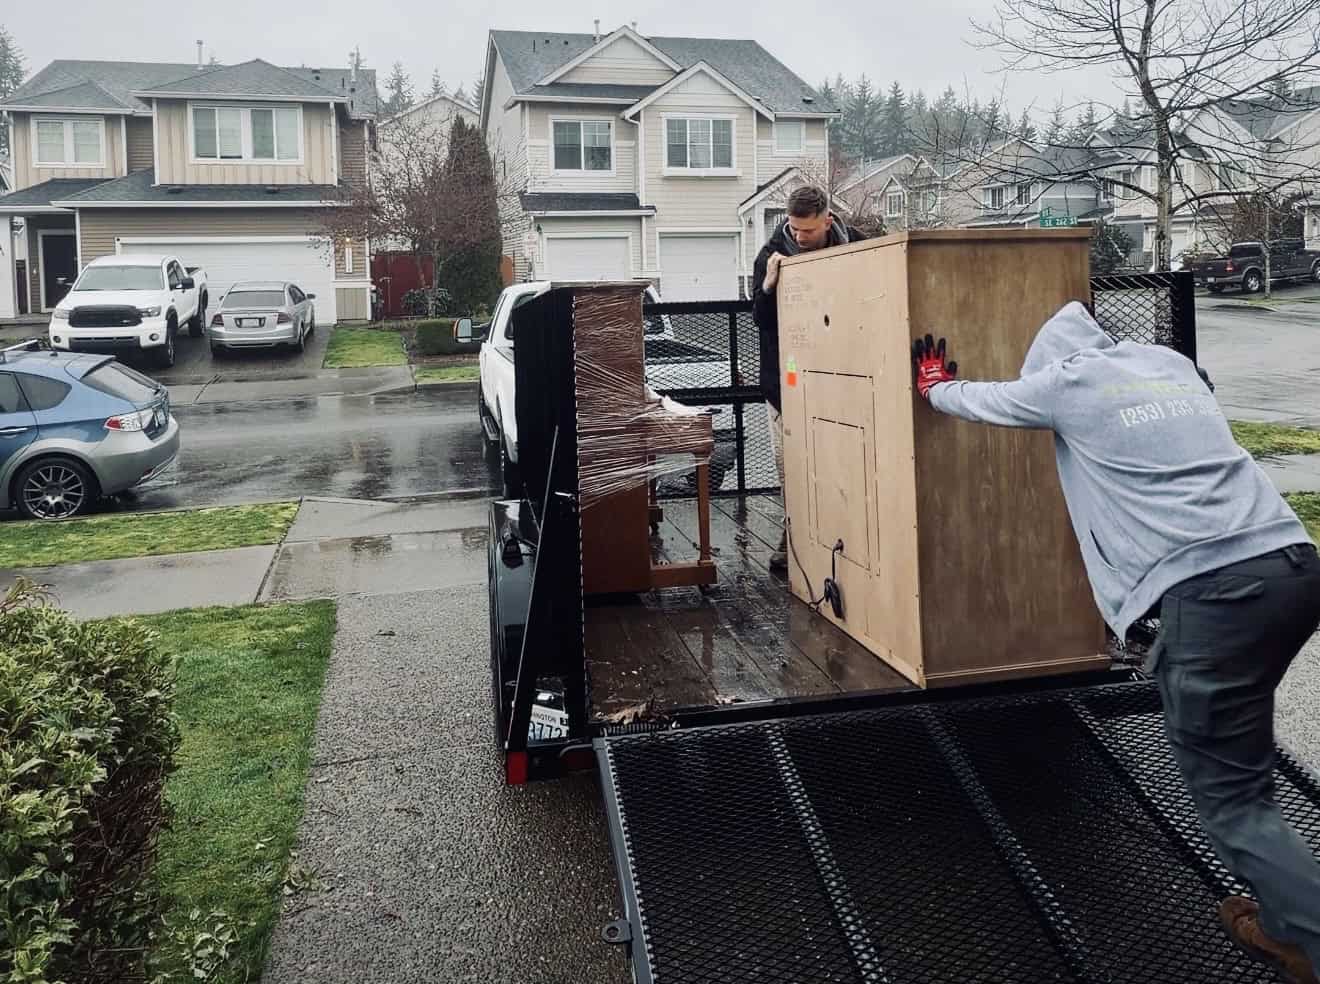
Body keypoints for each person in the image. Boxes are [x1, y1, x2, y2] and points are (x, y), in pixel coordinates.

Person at [912, 302, 1320, 984]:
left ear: (1051, 361)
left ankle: (1306, 936)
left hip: (1216, 595)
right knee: (1220, 727)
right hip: (1292, 565)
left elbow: (978, 400)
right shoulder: (1168, 364)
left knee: (1235, 803)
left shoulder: (1064, 382)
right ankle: (1288, 914)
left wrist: (930, 384)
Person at [752, 185, 866, 569]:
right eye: (795, 229)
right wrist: (768, 286)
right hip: (787, 381)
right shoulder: (771, 254)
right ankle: (794, 542)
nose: (801, 237)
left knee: (841, 465)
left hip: (841, 379)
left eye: (810, 231)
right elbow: (761, 322)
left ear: (828, 221)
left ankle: (843, 540)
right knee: (791, 468)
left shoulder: (858, 247)